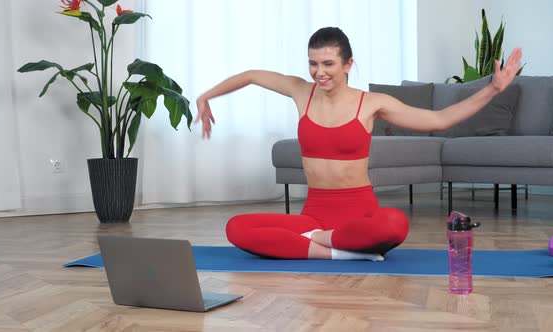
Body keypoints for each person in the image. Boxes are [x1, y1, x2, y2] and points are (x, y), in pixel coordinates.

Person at [195, 27, 523, 261]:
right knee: (237, 228)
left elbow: (440, 120)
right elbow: (251, 75)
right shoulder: (300, 91)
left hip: (360, 216)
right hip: (313, 217)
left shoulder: (372, 103)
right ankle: (337, 253)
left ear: (348, 64)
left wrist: (493, 89)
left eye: (328, 64)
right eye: (313, 64)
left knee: (395, 223)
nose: (318, 73)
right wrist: (206, 96)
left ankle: (314, 246)